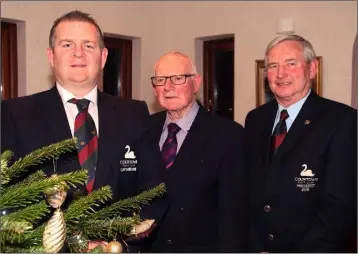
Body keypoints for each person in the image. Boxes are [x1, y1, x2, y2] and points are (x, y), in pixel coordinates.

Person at [1, 9, 149, 222]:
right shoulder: (15, 114)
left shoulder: (135, 114)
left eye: (88, 45)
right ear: (51, 56)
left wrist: (123, 243)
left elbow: (152, 191)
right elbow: (8, 199)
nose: (78, 53)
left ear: (103, 56)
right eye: (67, 45)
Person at [245, 34, 357, 253]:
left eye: (291, 63)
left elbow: (339, 206)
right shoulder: (255, 119)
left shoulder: (342, 120)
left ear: (312, 69)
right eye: (273, 65)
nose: (280, 74)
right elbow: (247, 190)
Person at [134, 51, 249, 252]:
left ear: (196, 83)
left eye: (178, 78)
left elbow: (234, 214)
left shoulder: (228, 135)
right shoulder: (143, 129)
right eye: (160, 80)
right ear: (154, 89)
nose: (168, 87)